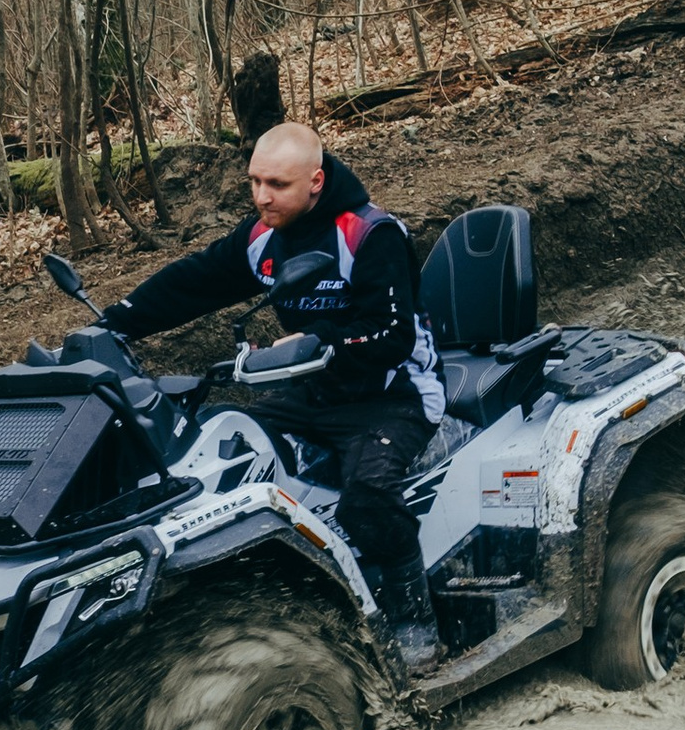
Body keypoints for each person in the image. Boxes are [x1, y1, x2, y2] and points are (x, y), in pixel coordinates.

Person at [99, 123, 446, 664]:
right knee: (214, 453)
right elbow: (195, 281)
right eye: (255, 181)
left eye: (277, 184)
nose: (262, 196)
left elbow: (392, 333)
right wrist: (115, 324)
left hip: (393, 394)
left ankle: (413, 619)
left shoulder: (371, 235)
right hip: (314, 393)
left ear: (316, 180)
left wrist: (319, 343)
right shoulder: (262, 235)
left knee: (369, 496)